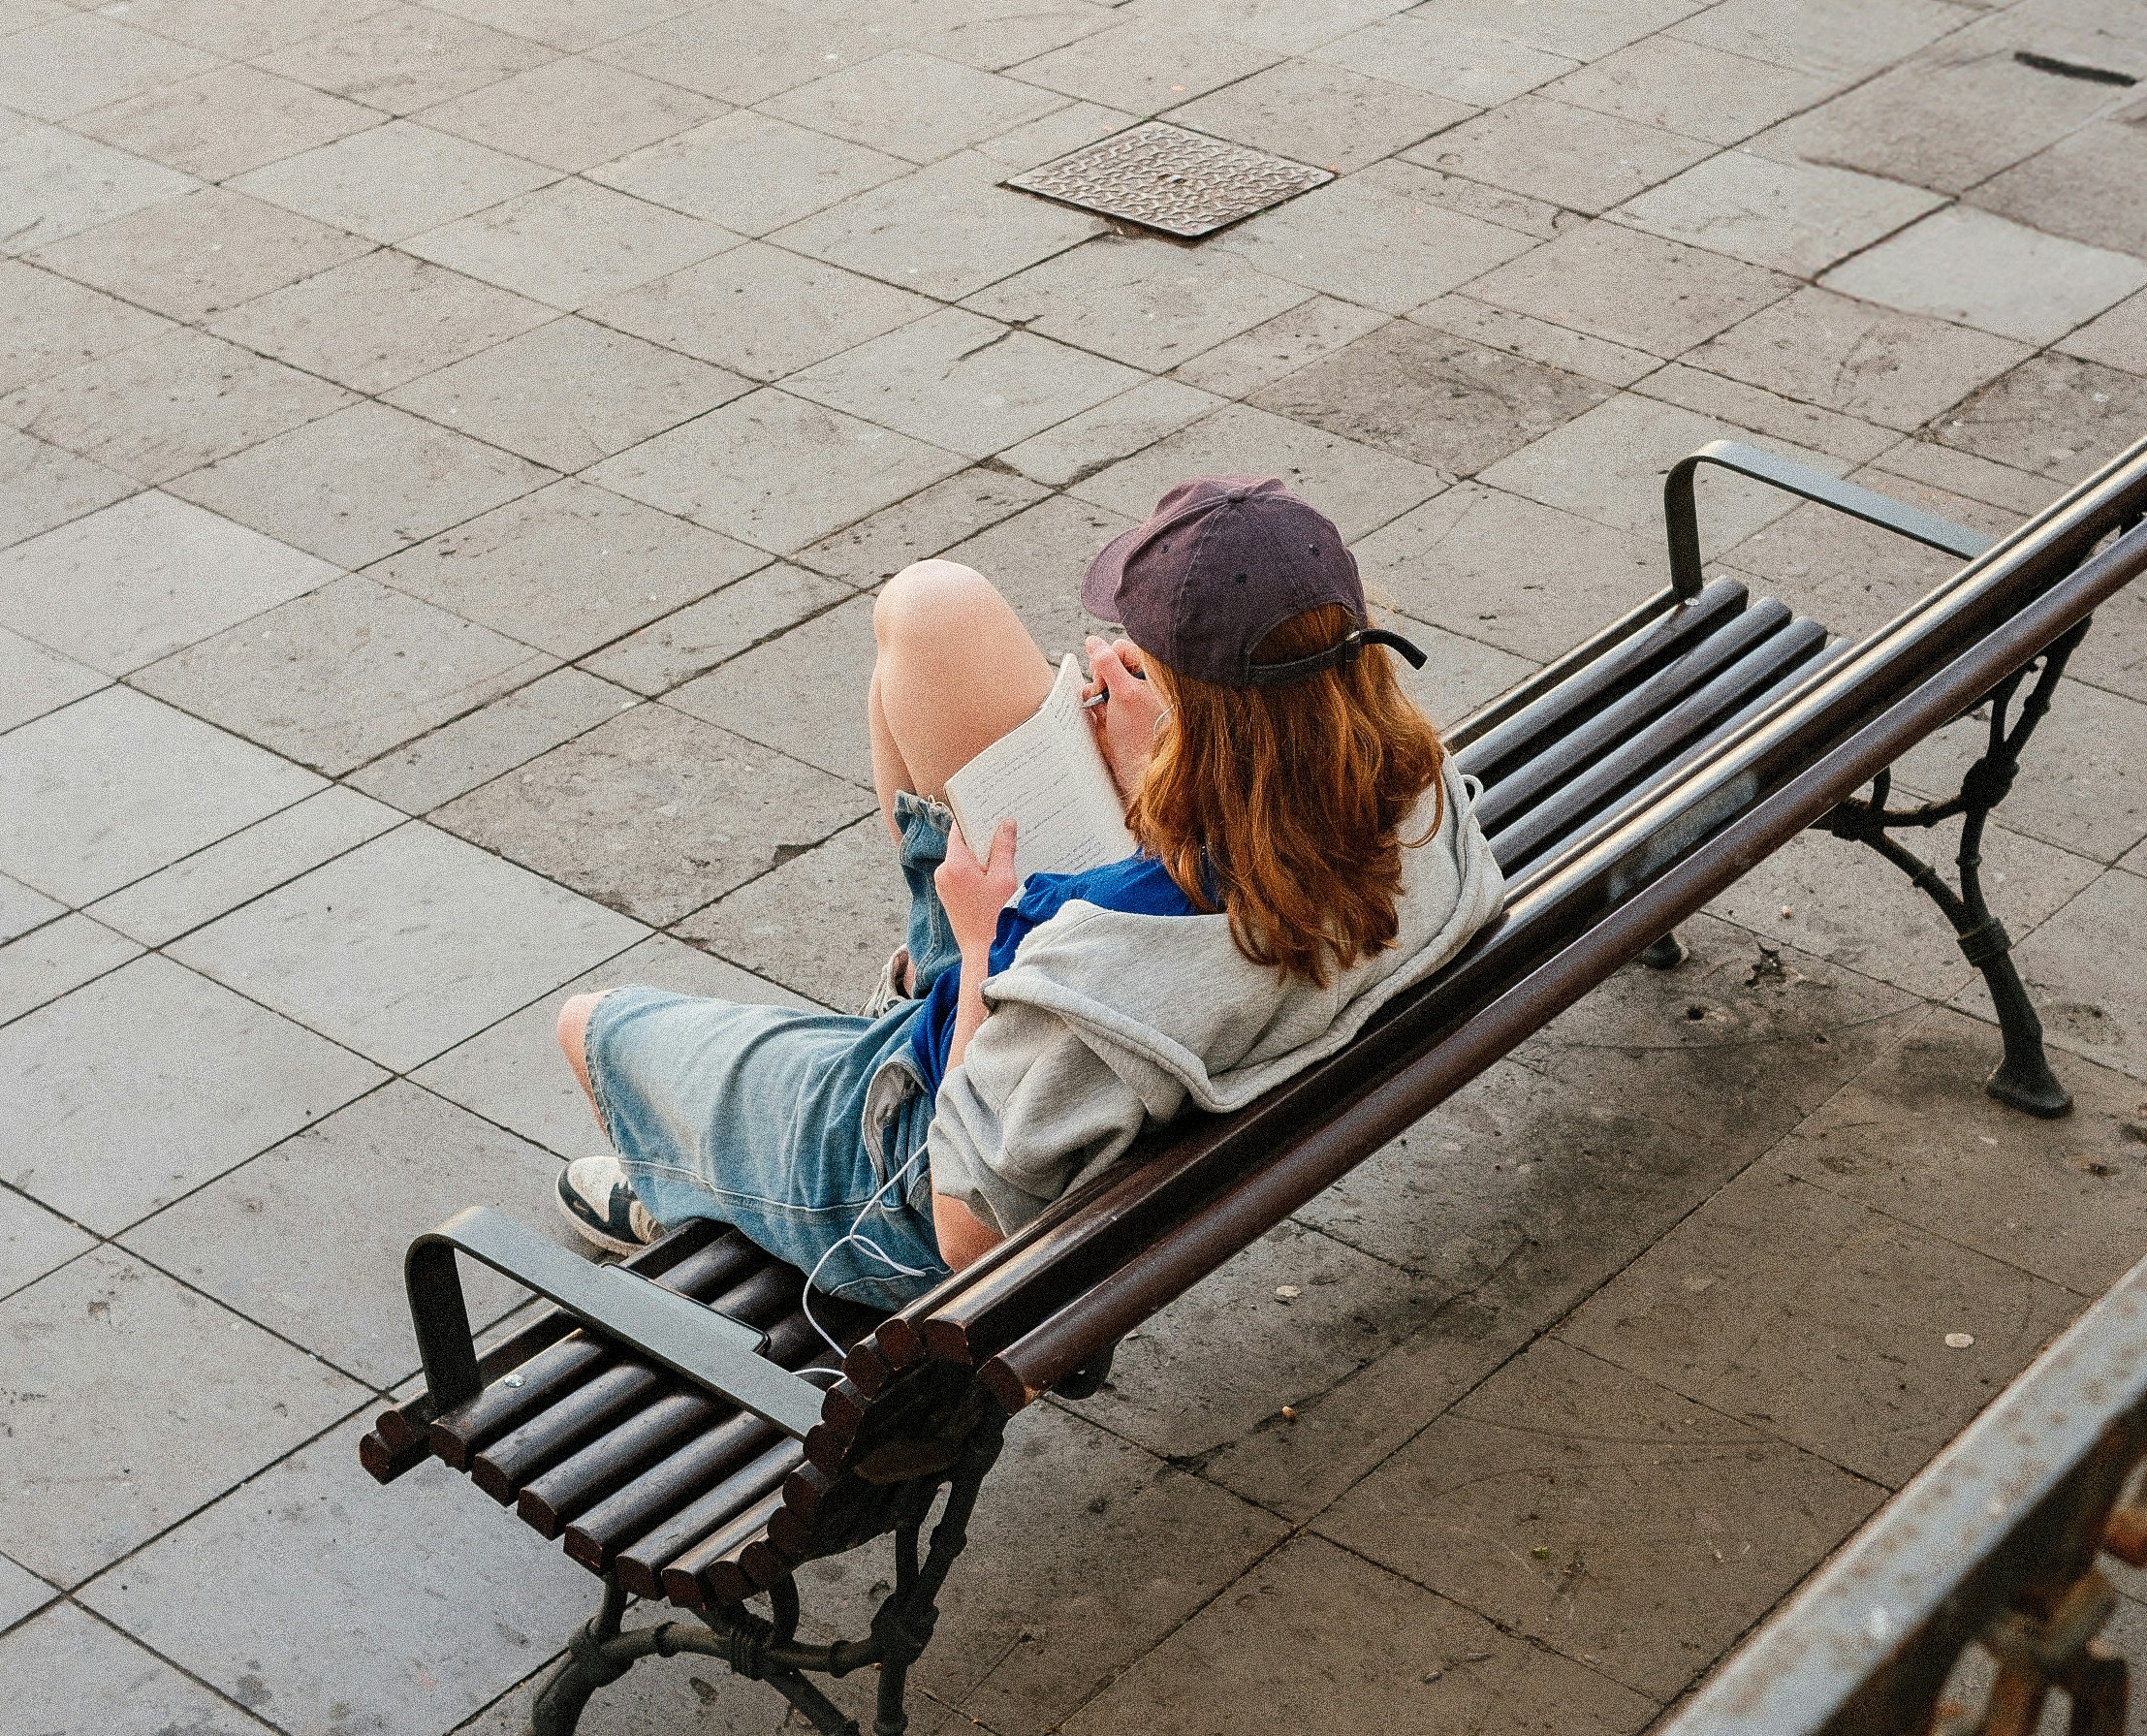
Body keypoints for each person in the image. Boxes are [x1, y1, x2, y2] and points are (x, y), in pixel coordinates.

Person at [547, 474, 1507, 1312]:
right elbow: (1239, 921)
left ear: (1200, 720)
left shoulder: (1098, 965)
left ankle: (684, 1190)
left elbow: (966, 1230)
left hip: (912, 1168)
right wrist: (1164, 808)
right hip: (1171, 1012)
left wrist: (974, 948)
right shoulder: (1413, 796)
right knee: (932, 609)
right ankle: (902, 1007)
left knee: (591, 1025)